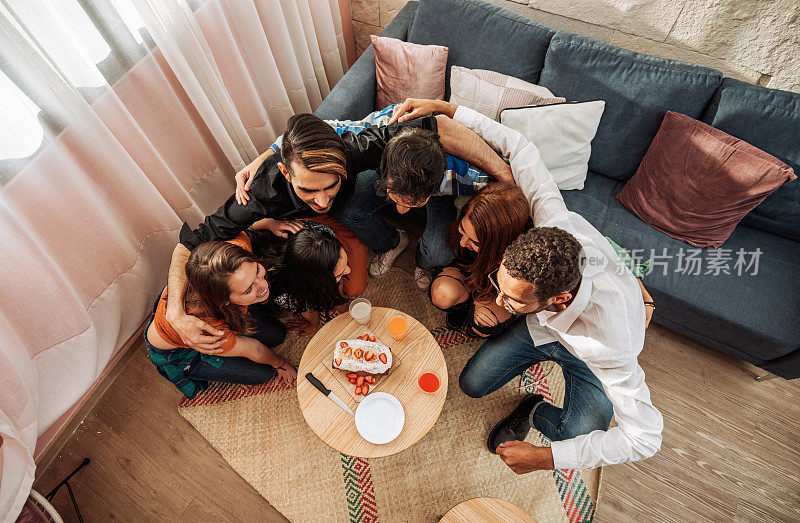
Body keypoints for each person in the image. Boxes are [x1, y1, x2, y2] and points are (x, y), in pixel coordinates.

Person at [394, 98, 662, 473]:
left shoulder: (613, 344)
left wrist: (546, 458)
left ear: (559, 298)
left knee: (576, 435)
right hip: (542, 331)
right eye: (500, 285)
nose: (498, 301)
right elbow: (521, 149)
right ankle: (530, 356)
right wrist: (447, 107)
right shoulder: (553, 219)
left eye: (512, 300)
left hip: (588, 361)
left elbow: (645, 439)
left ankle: (537, 411)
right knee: (472, 385)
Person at [169, 110, 508, 352]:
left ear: (343, 161)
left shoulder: (356, 147)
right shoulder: (261, 190)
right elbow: (192, 243)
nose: (320, 200)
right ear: (286, 174)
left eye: (329, 186)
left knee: (376, 271)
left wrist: (506, 175)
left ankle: (385, 236)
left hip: (371, 203)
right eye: (307, 191)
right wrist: (175, 314)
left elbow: (442, 128)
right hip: (299, 229)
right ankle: (380, 243)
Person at [235, 103, 514, 292]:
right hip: (396, 169)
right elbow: (309, 131)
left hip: (447, 193)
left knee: (437, 253)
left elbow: (446, 126)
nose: (402, 211)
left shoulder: (474, 176)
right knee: (346, 208)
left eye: (412, 204)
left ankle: (423, 258)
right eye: (395, 198)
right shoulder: (382, 130)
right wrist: (265, 156)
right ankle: (393, 242)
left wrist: (504, 177)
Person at [145, 232, 296, 398]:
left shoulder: (235, 252)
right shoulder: (210, 328)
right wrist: (281, 364)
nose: (263, 285)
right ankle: (197, 366)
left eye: (257, 271)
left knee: (278, 334)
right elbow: (255, 350)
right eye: (248, 289)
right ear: (224, 301)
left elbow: (246, 227)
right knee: (263, 374)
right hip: (180, 352)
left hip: (215, 308)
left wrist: (268, 225)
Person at [430, 182, 531, 337]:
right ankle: (462, 306)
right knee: (442, 294)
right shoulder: (470, 214)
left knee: (484, 323)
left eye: (475, 242)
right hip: (468, 268)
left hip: (497, 288)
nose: (463, 243)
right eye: (462, 229)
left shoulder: (521, 257)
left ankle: (473, 313)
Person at [266, 222, 352, 335]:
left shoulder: (323, 233)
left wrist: (338, 298)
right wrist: (314, 324)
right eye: (339, 275)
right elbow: (306, 307)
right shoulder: (284, 293)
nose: (349, 270)